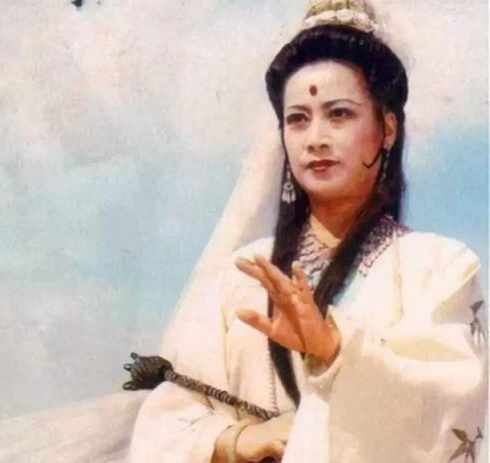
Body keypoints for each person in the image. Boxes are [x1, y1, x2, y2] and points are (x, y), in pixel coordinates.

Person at [129, 1, 487, 462]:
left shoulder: (438, 267)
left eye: (339, 114)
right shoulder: (243, 275)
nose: (315, 138)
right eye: (298, 119)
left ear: (387, 128)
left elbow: (452, 402)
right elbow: (165, 422)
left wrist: (335, 350)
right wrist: (236, 440)